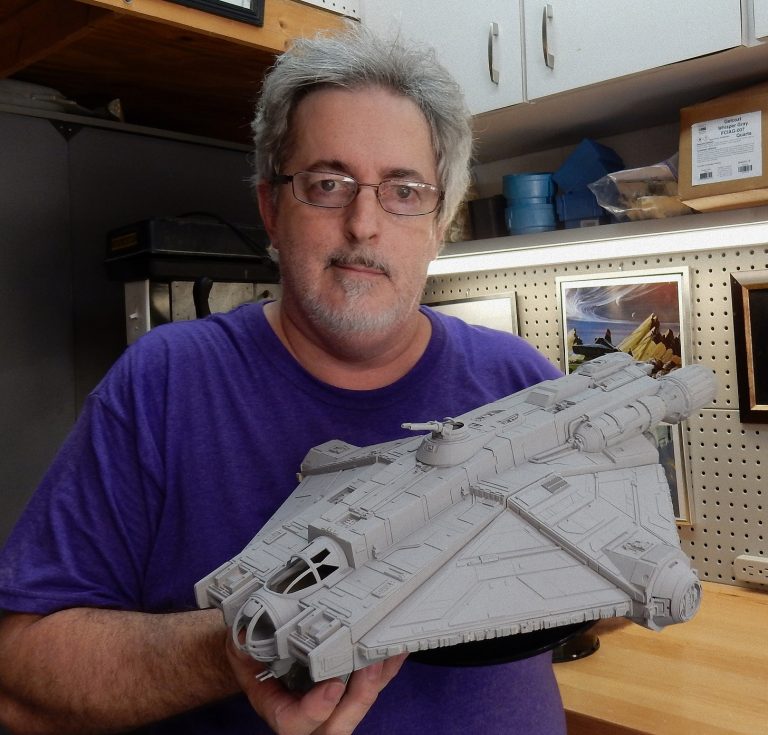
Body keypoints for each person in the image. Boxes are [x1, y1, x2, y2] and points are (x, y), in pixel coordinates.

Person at [0, 24, 565, 735]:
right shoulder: (163, 384)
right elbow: (19, 677)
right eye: (328, 184)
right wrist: (240, 646)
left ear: (440, 220)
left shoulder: (523, 381)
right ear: (271, 208)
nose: (364, 223)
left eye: (404, 190)